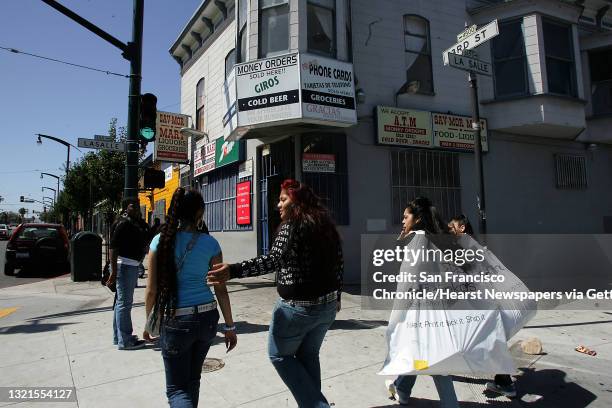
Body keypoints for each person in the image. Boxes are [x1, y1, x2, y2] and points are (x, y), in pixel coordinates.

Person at [208, 179, 343, 408]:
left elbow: (273, 260)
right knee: (308, 356)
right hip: (327, 308)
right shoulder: (325, 225)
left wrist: (233, 270)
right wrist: (337, 296)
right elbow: (339, 261)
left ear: (297, 202)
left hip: (297, 309)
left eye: (283, 200)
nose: (278, 205)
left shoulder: (292, 225)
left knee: (279, 355)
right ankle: (313, 402)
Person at [144, 188, 237, 407]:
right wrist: (230, 327)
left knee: (176, 389)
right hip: (207, 317)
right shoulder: (211, 243)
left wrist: (149, 323)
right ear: (199, 214)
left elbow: (151, 290)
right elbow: (220, 289)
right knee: (193, 381)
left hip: (176, 319)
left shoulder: (159, 241)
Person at [385, 197, 460, 408]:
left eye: (405, 216)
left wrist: (396, 318)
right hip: (436, 308)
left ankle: (450, 404)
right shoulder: (433, 238)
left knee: (435, 365)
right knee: (416, 355)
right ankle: (402, 390)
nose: (402, 220)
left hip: (421, 312)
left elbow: (407, 283)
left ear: (417, 219)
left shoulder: (418, 241)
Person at [448, 215, 517, 397]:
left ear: (462, 228)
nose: (449, 231)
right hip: (485, 301)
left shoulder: (467, 246)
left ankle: (418, 373)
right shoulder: (475, 246)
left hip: (480, 302)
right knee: (491, 340)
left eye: (451, 227)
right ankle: (505, 382)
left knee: (483, 340)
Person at [107, 198, 149, 350]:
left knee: (121, 303)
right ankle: (125, 341)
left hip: (129, 266)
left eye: (137, 205)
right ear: (125, 208)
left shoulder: (132, 222)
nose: (137, 208)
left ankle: (118, 337)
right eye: (133, 206)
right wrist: (113, 272)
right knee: (124, 304)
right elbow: (113, 248)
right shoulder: (123, 223)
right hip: (124, 266)